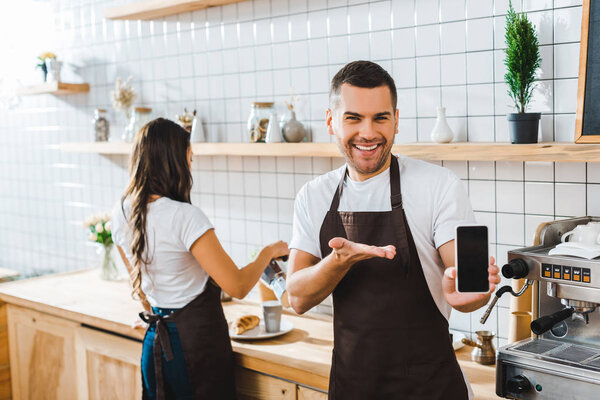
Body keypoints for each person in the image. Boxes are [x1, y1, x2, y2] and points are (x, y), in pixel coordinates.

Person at [286, 61, 500, 400]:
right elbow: (296, 297)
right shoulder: (314, 196)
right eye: (353, 118)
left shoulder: (439, 186)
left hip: (430, 388)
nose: (368, 132)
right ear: (331, 122)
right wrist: (338, 262)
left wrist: (471, 294)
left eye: (380, 118)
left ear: (396, 121)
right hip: (353, 387)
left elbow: (468, 284)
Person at [111, 118, 289, 399]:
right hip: (195, 351)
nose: (190, 168)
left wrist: (157, 317)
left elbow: (141, 286)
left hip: (155, 343)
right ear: (175, 163)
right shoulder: (185, 217)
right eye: (189, 159)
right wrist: (268, 251)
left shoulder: (122, 211)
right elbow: (238, 286)